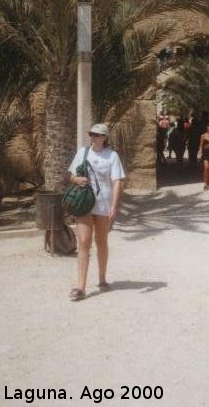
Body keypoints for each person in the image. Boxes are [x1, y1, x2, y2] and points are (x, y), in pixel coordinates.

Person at [68, 123, 126, 301]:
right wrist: (78, 179)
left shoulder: (112, 156)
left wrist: (114, 206)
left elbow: (117, 181)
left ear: (104, 137)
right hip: (84, 203)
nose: (93, 137)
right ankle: (81, 286)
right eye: (91, 133)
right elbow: (71, 177)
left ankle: (102, 279)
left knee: (101, 241)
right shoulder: (82, 152)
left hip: (103, 204)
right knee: (84, 242)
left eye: (96, 134)